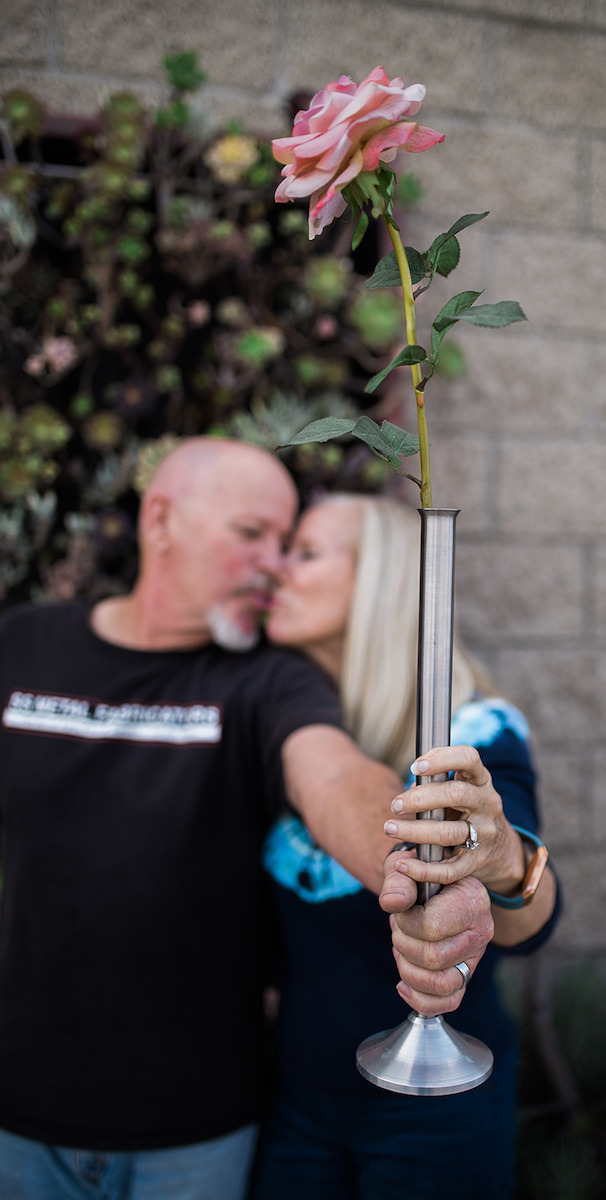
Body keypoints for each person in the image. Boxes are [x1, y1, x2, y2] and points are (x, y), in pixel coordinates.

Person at [0, 439, 495, 1200]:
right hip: (15, 1115)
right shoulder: (24, 643)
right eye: (251, 534)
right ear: (161, 521)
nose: (274, 563)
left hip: (194, 1134)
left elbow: (330, 774)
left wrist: (406, 855)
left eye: (288, 542)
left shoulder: (270, 677)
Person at [250, 493, 561, 1200]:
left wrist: (504, 857)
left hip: (434, 1110)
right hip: (295, 1098)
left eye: (305, 552)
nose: (276, 571)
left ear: (382, 579)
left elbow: (526, 924)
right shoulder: (290, 723)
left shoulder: (472, 729)